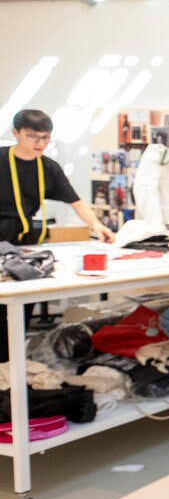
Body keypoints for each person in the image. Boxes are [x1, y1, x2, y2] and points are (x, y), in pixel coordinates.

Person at [0, 109, 117, 361]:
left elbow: (75, 201)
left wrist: (97, 226)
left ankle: (11, 364)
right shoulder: (0, 158)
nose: (40, 144)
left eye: (45, 138)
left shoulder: (48, 167)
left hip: (25, 241)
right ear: (15, 133)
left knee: (23, 302)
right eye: (33, 137)